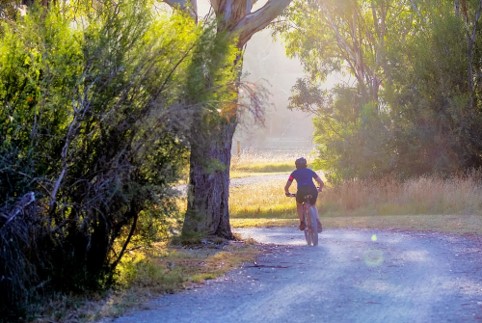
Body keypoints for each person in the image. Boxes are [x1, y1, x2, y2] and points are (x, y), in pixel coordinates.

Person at [284, 157, 324, 231]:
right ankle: (317, 221)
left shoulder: (294, 173)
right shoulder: (310, 171)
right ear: (306, 164)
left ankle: (302, 223)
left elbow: (287, 186)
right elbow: (321, 183)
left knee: (299, 205)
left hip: (301, 191)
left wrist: (287, 192)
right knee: (313, 205)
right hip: (313, 190)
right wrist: (320, 188)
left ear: (296, 165)